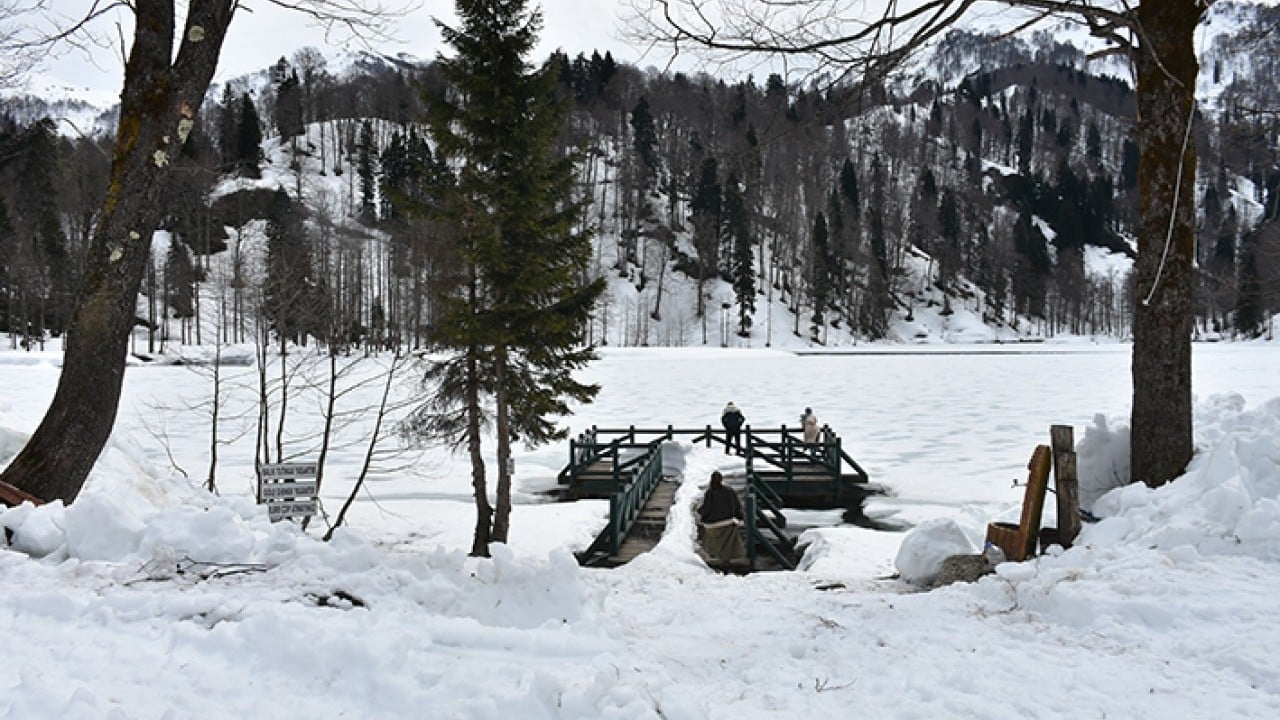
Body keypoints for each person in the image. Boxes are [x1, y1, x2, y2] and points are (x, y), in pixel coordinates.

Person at [698, 471, 745, 564]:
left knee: (708, 536)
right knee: (729, 539)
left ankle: (715, 556)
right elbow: (737, 506)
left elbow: (707, 508)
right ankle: (728, 557)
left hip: (713, 524)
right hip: (729, 521)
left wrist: (699, 512)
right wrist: (740, 517)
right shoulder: (729, 491)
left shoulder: (710, 492)